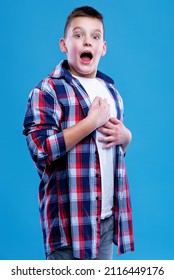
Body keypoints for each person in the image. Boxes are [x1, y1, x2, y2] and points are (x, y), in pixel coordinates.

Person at [23, 6, 134, 260]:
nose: (87, 41)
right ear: (64, 44)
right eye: (78, 35)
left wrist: (126, 138)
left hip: (104, 219)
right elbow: (41, 151)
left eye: (95, 37)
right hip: (68, 221)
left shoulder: (112, 93)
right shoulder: (48, 90)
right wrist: (90, 123)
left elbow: (110, 153)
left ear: (103, 48)